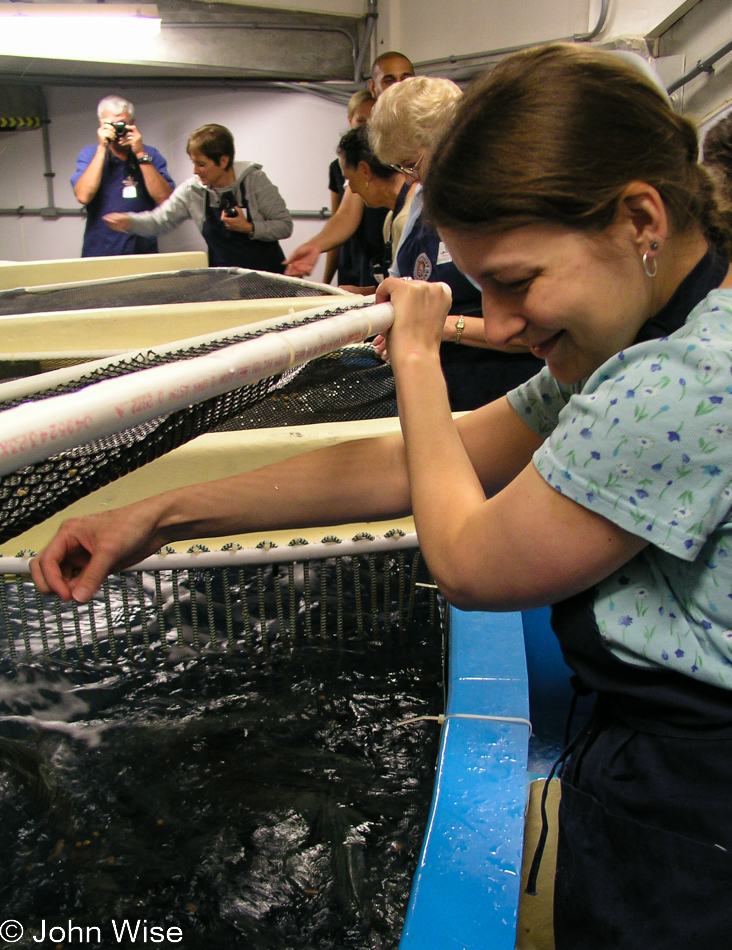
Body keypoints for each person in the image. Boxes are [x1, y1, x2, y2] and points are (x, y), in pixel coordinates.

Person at [30, 42, 732, 949]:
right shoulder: (645, 338)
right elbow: (420, 461)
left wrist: (415, 354)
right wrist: (159, 515)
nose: (507, 322)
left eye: (518, 284)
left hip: (698, 812)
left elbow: (472, 561)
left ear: (640, 218)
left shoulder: (682, 377)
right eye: (485, 288)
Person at [368, 76, 542, 409]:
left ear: (450, 141)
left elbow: (532, 330)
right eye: (400, 166)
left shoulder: (496, 205)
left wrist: (443, 326)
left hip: (503, 392)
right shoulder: (421, 199)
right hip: (444, 391)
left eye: (412, 163)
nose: (410, 178)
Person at [284, 51, 414, 279]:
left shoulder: (424, 132)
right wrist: (315, 245)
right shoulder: (372, 141)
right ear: (374, 88)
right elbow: (346, 214)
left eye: (406, 78)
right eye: (389, 80)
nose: (398, 87)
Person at [103, 123, 292, 273]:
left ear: (223, 161)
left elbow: (284, 226)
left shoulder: (255, 180)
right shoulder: (192, 191)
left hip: (270, 279)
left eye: (201, 164)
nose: (195, 171)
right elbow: (160, 221)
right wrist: (129, 222)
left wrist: (248, 228)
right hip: (225, 282)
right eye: (193, 163)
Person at [72, 95, 175, 258]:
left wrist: (140, 154)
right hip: (101, 252)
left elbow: (166, 199)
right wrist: (102, 148)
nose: (118, 130)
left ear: (132, 124)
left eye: (123, 124)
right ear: (101, 125)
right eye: (112, 124)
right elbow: (83, 196)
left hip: (142, 251)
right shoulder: (90, 154)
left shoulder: (150, 154)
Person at [335, 125, 418, 288]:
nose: (351, 188)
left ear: (365, 171)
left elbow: (415, 297)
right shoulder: (392, 218)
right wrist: (359, 294)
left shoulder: (407, 219)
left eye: (349, 179)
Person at [323, 90, 386, 292]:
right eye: (361, 121)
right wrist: (325, 281)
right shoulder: (337, 168)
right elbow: (340, 218)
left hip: (379, 263)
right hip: (352, 263)